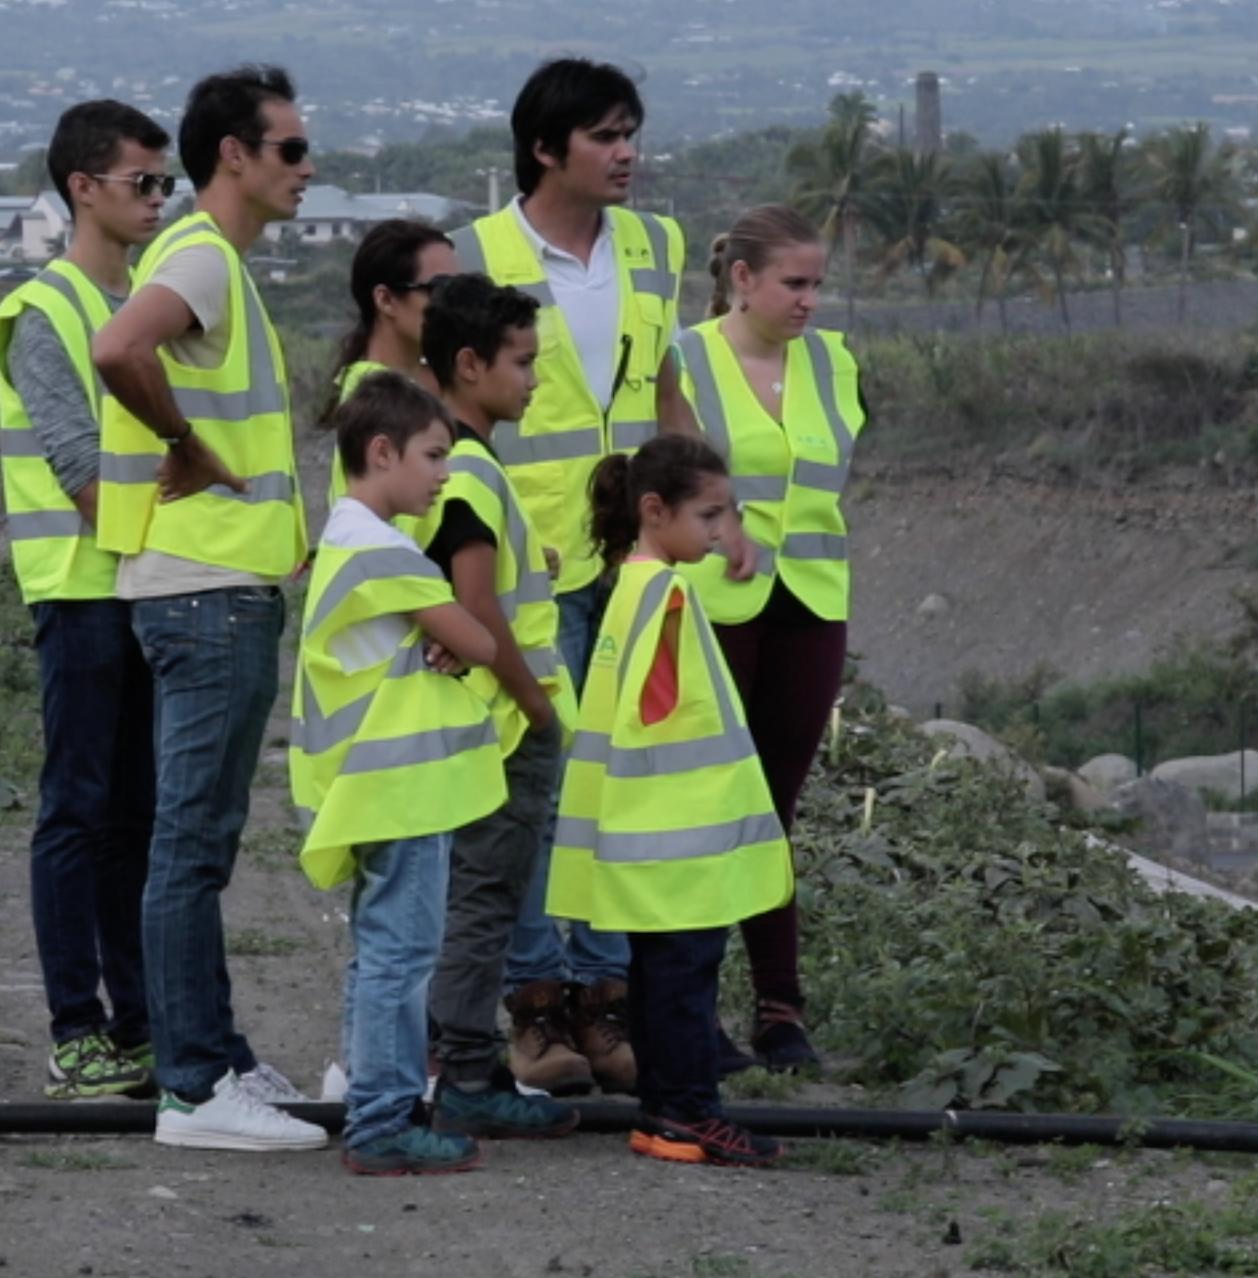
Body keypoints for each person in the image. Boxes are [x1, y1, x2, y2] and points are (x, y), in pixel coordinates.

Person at [92, 64, 323, 1152]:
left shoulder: (217, 262)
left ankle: (218, 1057)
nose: (305, 169)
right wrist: (186, 445)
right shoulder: (198, 258)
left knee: (200, 840)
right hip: (205, 596)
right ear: (231, 154)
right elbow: (116, 347)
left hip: (214, 594)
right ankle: (193, 1089)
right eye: (288, 150)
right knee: (189, 846)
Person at [448, 57, 689, 1093]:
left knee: (618, 786)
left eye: (630, 132)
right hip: (529, 568)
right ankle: (534, 1011)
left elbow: (664, 384)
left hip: (630, 560)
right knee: (539, 791)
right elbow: (450, 410)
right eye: (604, 135)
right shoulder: (477, 254)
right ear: (545, 150)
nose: (626, 152)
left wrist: (693, 515)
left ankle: (602, 1003)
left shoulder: (655, 245)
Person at [0, 99, 172, 1100]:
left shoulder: (148, 302)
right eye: (141, 183)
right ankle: (76, 1029)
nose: (155, 200)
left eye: (164, 184)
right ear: (81, 189)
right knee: (78, 811)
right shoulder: (43, 311)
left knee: (137, 815)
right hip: (82, 590)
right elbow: (79, 469)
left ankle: (140, 1022)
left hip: (144, 588)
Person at [547, 432, 793, 1168]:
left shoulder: (628, 584)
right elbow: (662, 709)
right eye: (710, 515)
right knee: (686, 984)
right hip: (681, 842)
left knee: (659, 980)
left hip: (642, 839)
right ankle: (690, 1113)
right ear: (655, 510)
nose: (722, 533)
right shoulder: (670, 595)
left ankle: (662, 1113)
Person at [290, 373, 505, 1176]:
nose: (446, 472)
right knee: (402, 957)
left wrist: (434, 630)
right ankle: (383, 1120)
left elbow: (440, 632)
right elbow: (481, 642)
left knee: (381, 951)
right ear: (381, 453)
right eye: (434, 455)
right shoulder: (383, 551)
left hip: (368, 785)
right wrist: (451, 629)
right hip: (399, 786)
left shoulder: (348, 539)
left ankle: (371, 1105)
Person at [677, 205, 867, 1071]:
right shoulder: (685, 361)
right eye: (795, 283)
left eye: (818, 284)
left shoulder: (835, 363)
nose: (810, 301)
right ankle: (690, 1011)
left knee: (773, 813)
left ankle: (781, 1012)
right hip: (714, 606)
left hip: (811, 605)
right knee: (711, 803)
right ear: (742, 278)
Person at [417, 274, 587, 1128]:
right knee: (484, 905)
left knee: (463, 903)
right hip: (506, 726)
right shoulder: (474, 472)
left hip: (481, 723)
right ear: (470, 364)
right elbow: (477, 604)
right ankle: (469, 1081)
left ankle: (445, 1066)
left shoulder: (446, 459)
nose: (534, 381)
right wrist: (539, 705)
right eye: (522, 363)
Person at [322, 218, 458, 499]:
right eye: (440, 289)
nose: (454, 304)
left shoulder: (417, 386)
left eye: (459, 290)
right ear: (385, 300)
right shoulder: (376, 400)